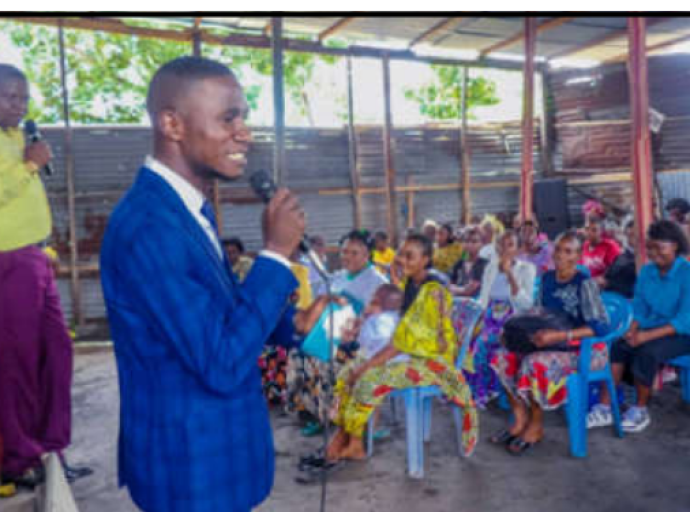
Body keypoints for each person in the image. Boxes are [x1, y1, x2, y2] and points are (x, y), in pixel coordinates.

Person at [100, 56, 308, 512]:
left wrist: (295, 320)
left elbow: (219, 316)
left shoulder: (185, 209)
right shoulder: (149, 226)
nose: (245, 133)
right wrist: (274, 256)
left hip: (217, 459)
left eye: (244, 117)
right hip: (190, 473)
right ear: (172, 124)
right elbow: (219, 361)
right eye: (228, 118)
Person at [0, 64, 88, 489]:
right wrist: (29, 167)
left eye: (23, 97)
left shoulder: (18, 137)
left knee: (56, 352)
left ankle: (50, 446)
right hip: (6, 261)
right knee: (17, 362)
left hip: (35, 257)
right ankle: (18, 456)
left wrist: (43, 249)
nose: (19, 106)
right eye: (9, 97)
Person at [323, 234, 478, 463]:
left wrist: (367, 365)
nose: (402, 260)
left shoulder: (433, 290)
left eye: (410, 256)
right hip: (410, 354)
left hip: (432, 362)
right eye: (401, 254)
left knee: (367, 377)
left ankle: (354, 442)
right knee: (347, 372)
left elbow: (401, 342)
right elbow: (401, 327)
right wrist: (396, 276)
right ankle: (344, 433)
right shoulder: (411, 283)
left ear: (426, 259)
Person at [490, 231, 610, 454]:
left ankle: (536, 425)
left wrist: (560, 336)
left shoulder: (584, 283)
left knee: (535, 363)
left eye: (568, 251)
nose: (560, 256)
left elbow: (601, 326)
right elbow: (538, 314)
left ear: (579, 255)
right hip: (550, 342)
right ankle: (520, 418)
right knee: (502, 355)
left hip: (586, 349)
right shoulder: (546, 279)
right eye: (558, 249)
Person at [588, 220, 690, 433]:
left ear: (675, 246)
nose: (653, 253)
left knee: (646, 352)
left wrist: (645, 336)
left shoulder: (686, 273)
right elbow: (640, 305)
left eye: (659, 248)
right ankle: (606, 407)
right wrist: (632, 328)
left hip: (681, 332)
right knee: (617, 345)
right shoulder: (647, 272)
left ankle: (640, 410)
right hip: (654, 327)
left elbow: (685, 319)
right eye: (650, 248)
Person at [286, 230, 388, 436]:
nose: (347, 257)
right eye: (344, 252)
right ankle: (319, 414)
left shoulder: (377, 281)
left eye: (354, 253)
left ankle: (337, 415)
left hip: (360, 341)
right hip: (331, 333)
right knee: (299, 353)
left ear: (367, 255)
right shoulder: (338, 276)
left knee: (323, 360)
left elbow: (378, 320)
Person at [470, 231, 536, 408]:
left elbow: (526, 304)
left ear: (518, 249)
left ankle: (491, 391)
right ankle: (484, 389)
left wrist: (510, 275)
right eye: (501, 244)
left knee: (483, 344)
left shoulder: (526, 269)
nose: (504, 249)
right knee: (469, 341)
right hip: (491, 318)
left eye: (510, 245)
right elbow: (483, 299)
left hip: (512, 320)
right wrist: (475, 322)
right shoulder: (490, 268)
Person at [599, 219, 637, 299]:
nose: (631, 237)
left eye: (634, 234)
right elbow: (607, 274)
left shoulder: (642, 259)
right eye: (630, 234)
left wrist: (608, 283)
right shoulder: (621, 256)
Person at [449, 226, 488, 298]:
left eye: (474, 241)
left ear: (482, 244)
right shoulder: (459, 264)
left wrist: (455, 289)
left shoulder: (484, 264)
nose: (469, 244)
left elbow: (469, 291)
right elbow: (449, 284)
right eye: (466, 241)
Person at [581, 216, 621, 281]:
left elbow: (617, 270)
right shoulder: (584, 246)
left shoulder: (610, 246)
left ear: (601, 231)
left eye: (594, 230)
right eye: (587, 229)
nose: (589, 233)